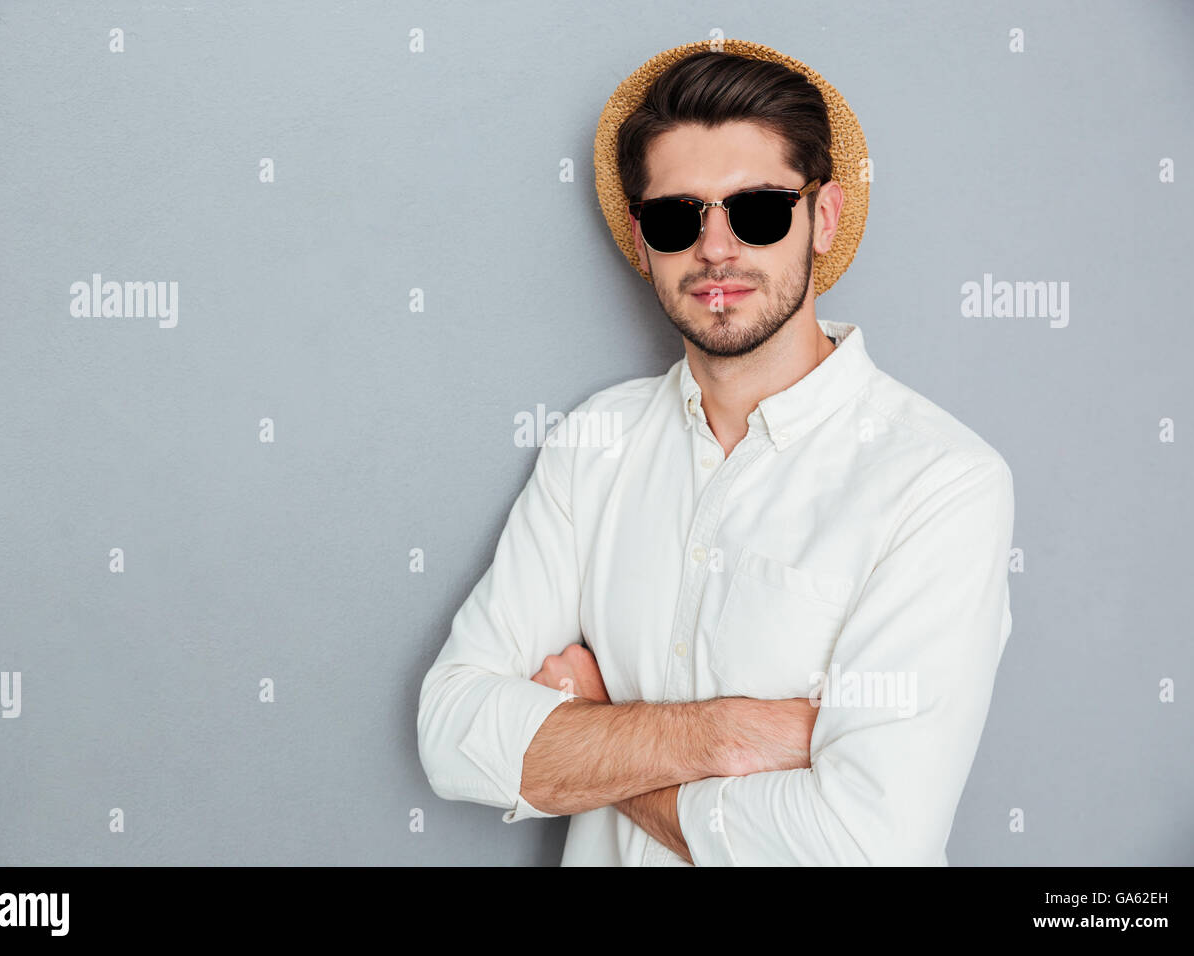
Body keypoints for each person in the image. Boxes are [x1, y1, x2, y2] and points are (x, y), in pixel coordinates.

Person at [417, 39, 1015, 866]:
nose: (717, 249)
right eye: (677, 217)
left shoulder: (939, 483)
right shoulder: (598, 442)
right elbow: (451, 732)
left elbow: (865, 844)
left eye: (758, 210)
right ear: (642, 239)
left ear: (824, 217)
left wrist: (592, 734)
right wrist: (735, 734)